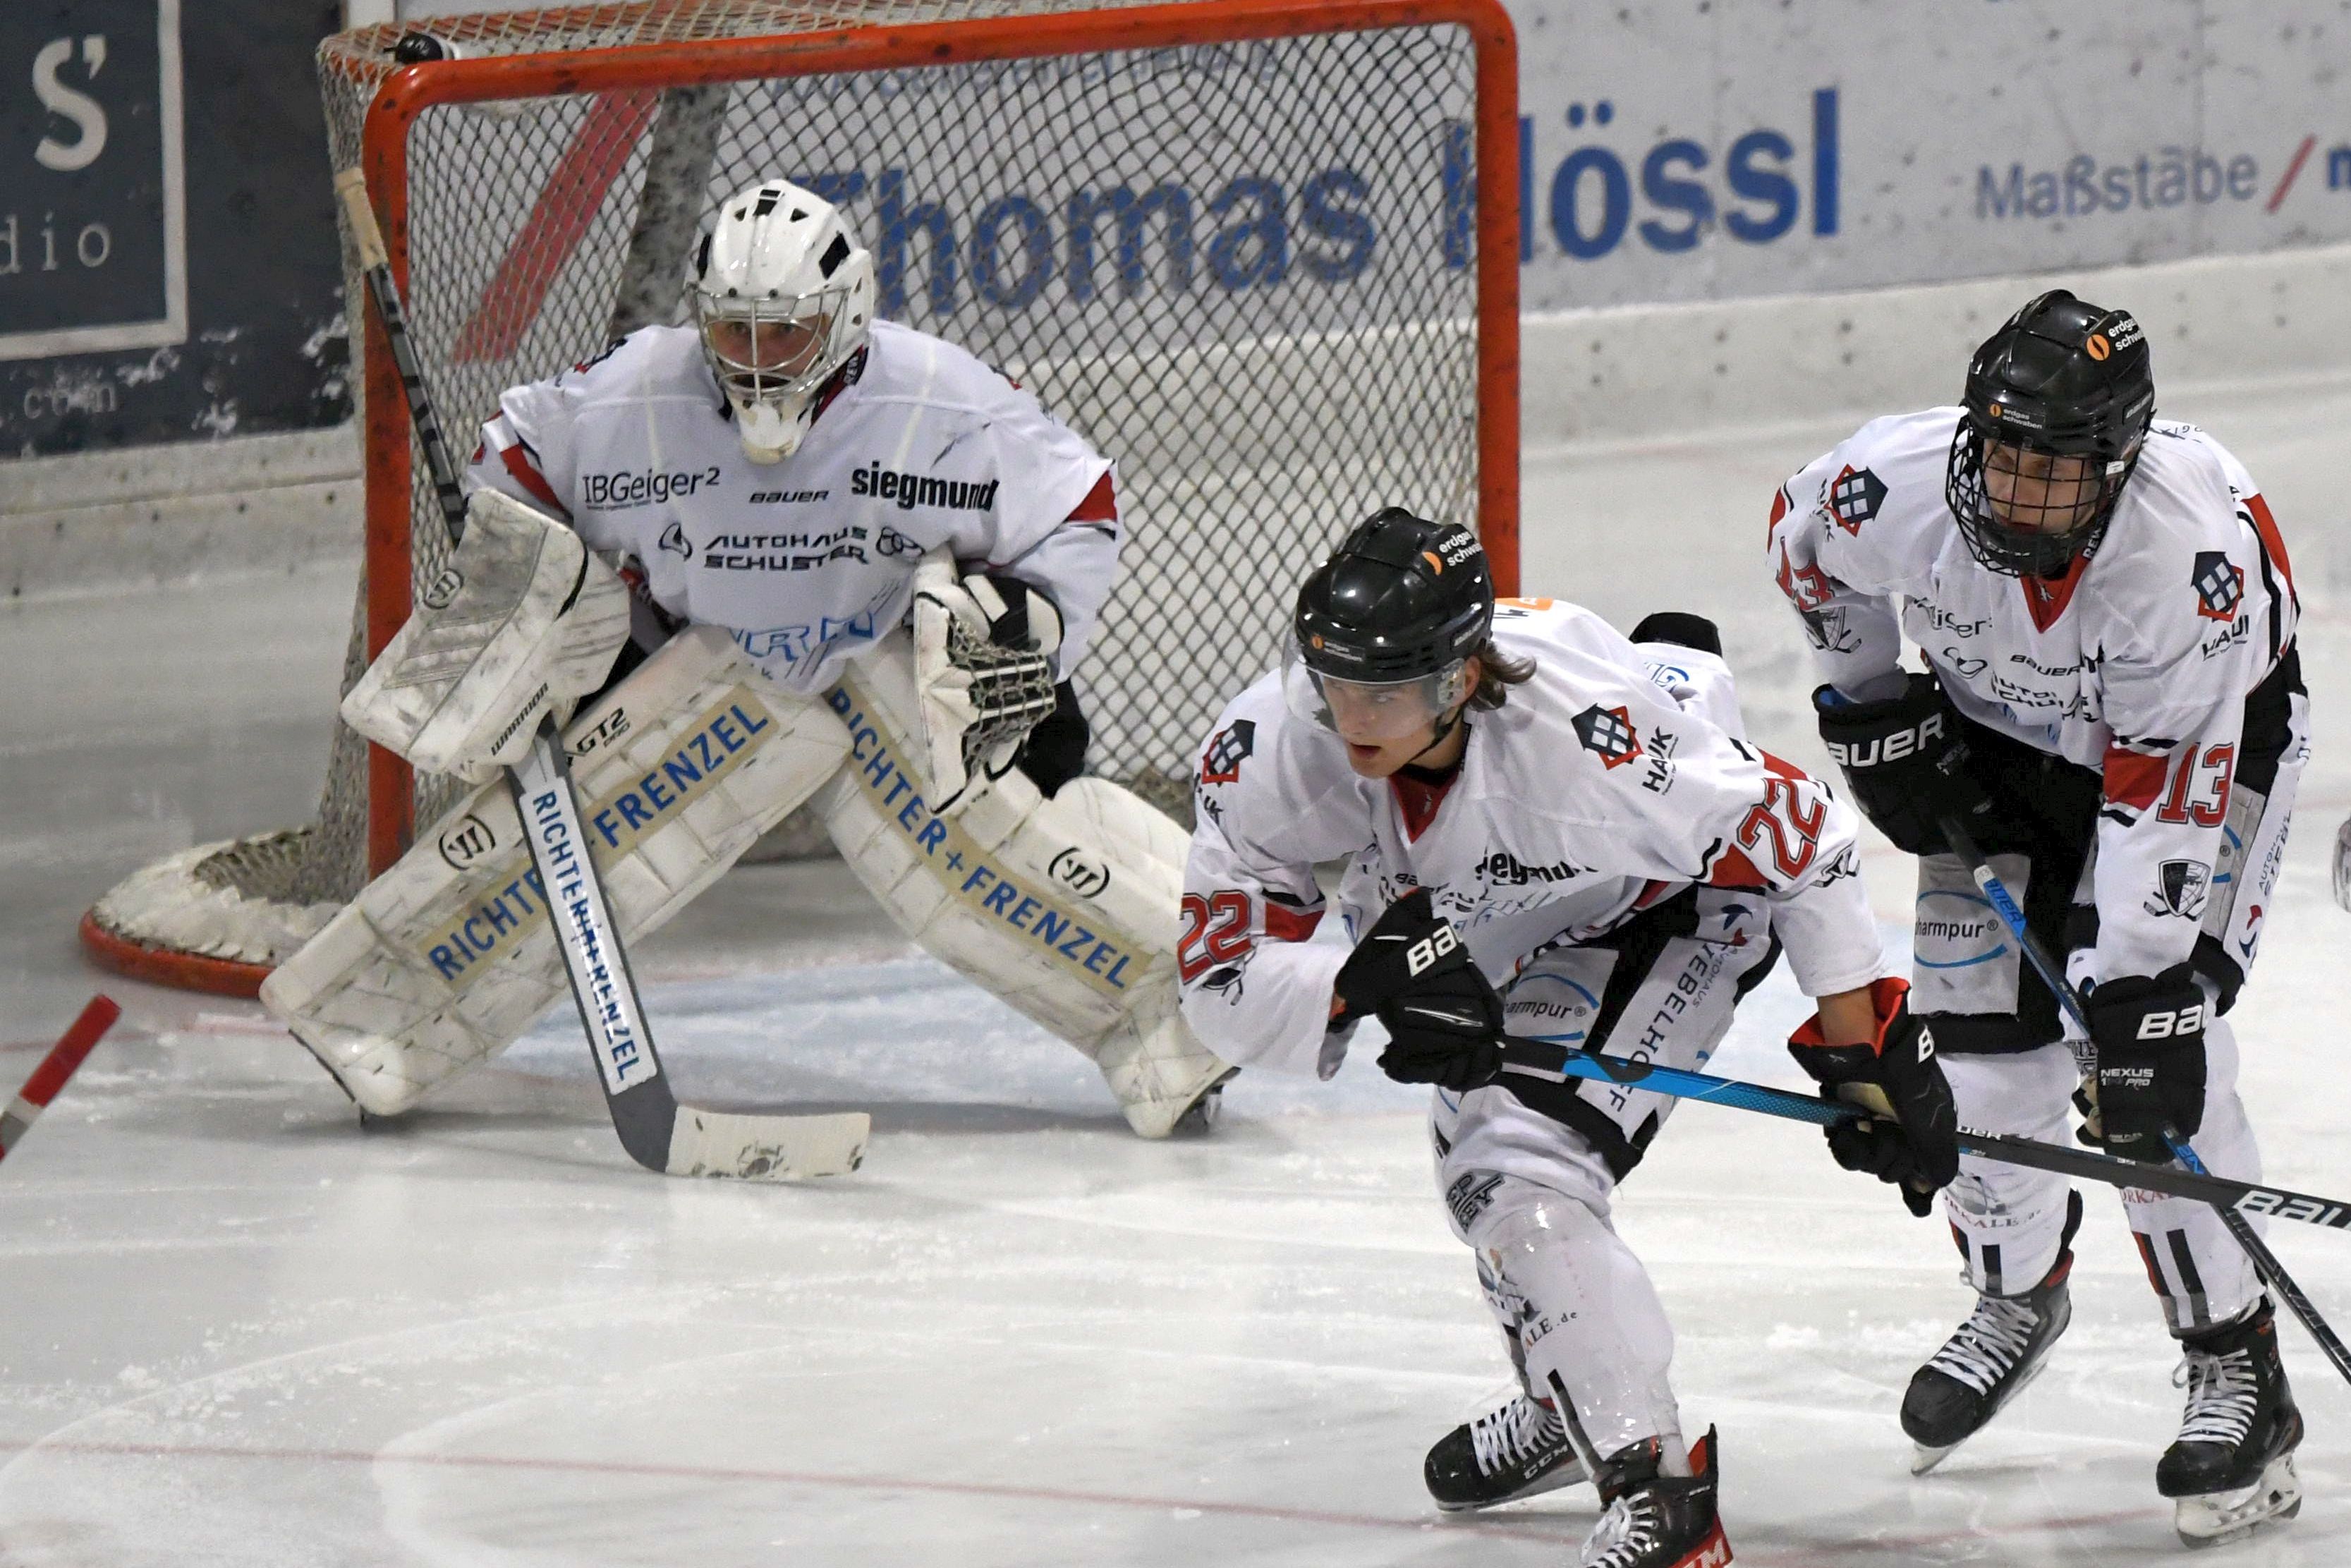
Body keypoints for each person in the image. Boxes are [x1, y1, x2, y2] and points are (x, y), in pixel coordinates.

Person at [263, 178, 1232, 1139]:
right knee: (576, 851)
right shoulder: (638, 393)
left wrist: (1028, 622)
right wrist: (533, 598)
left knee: (993, 860)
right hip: (699, 666)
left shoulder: (941, 400)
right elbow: (514, 457)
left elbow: (1076, 503)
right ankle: (374, 1022)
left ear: (846, 316)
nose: (759, 363)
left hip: (885, 664)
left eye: (787, 335)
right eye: (735, 333)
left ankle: (1184, 1020)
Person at [1178, 508, 1959, 1568]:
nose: (1349, 712)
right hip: (1502, 923)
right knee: (1474, 1176)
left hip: (1672, 901)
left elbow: (1805, 836)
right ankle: (1573, 1397)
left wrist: (1861, 1055)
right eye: (1333, 680)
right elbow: (1217, 981)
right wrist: (1358, 985)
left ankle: (1662, 1492)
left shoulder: (1586, 748)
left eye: (1385, 688)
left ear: (1460, 679)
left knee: (1519, 1168)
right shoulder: (1270, 750)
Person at [1768, 289, 2308, 1546]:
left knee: (2155, 1072)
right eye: (2002, 452)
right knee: (1978, 1064)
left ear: (2115, 466)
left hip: (2198, 754)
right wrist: (1864, 703)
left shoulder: (2185, 564)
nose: (2016, 490)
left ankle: (2236, 1362)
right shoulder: (1888, 484)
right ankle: (2015, 1291)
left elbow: (2161, 801)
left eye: (2055, 469)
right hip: (2000, 743)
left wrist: (2136, 995)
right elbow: (1802, 547)